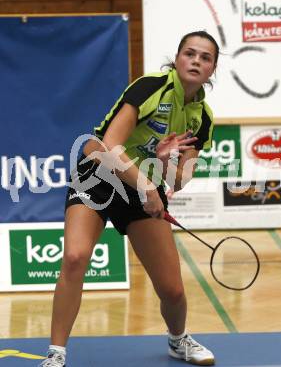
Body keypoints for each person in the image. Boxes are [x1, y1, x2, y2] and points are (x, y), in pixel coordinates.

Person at [40, 30, 219, 367]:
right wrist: (148, 189)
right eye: (189, 53)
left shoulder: (203, 118)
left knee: (173, 290)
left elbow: (180, 179)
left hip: (141, 185)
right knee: (76, 256)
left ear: (212, 69)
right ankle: (56, 353)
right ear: (177, 59)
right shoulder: (151, 87)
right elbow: (107, 147)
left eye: (205, 57)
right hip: (99, 174)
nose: (196, 60)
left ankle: (178, 340)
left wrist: (166, 165)